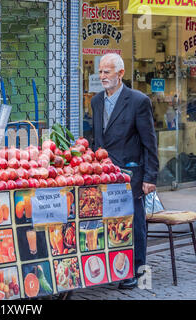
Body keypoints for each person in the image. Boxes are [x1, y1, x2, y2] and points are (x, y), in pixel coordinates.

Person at [91, 53, 159, 289]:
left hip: (131, 173)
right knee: (111, 222)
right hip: (105, 173)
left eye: (106, 72)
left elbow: (149, 142)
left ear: (120, 74)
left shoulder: (138, 101)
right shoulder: (96, 101)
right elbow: (98, 138)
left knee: (133, 222)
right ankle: (114, 267)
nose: (102, 76)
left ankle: (136, 270)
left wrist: (150, 177)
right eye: (100, 71)